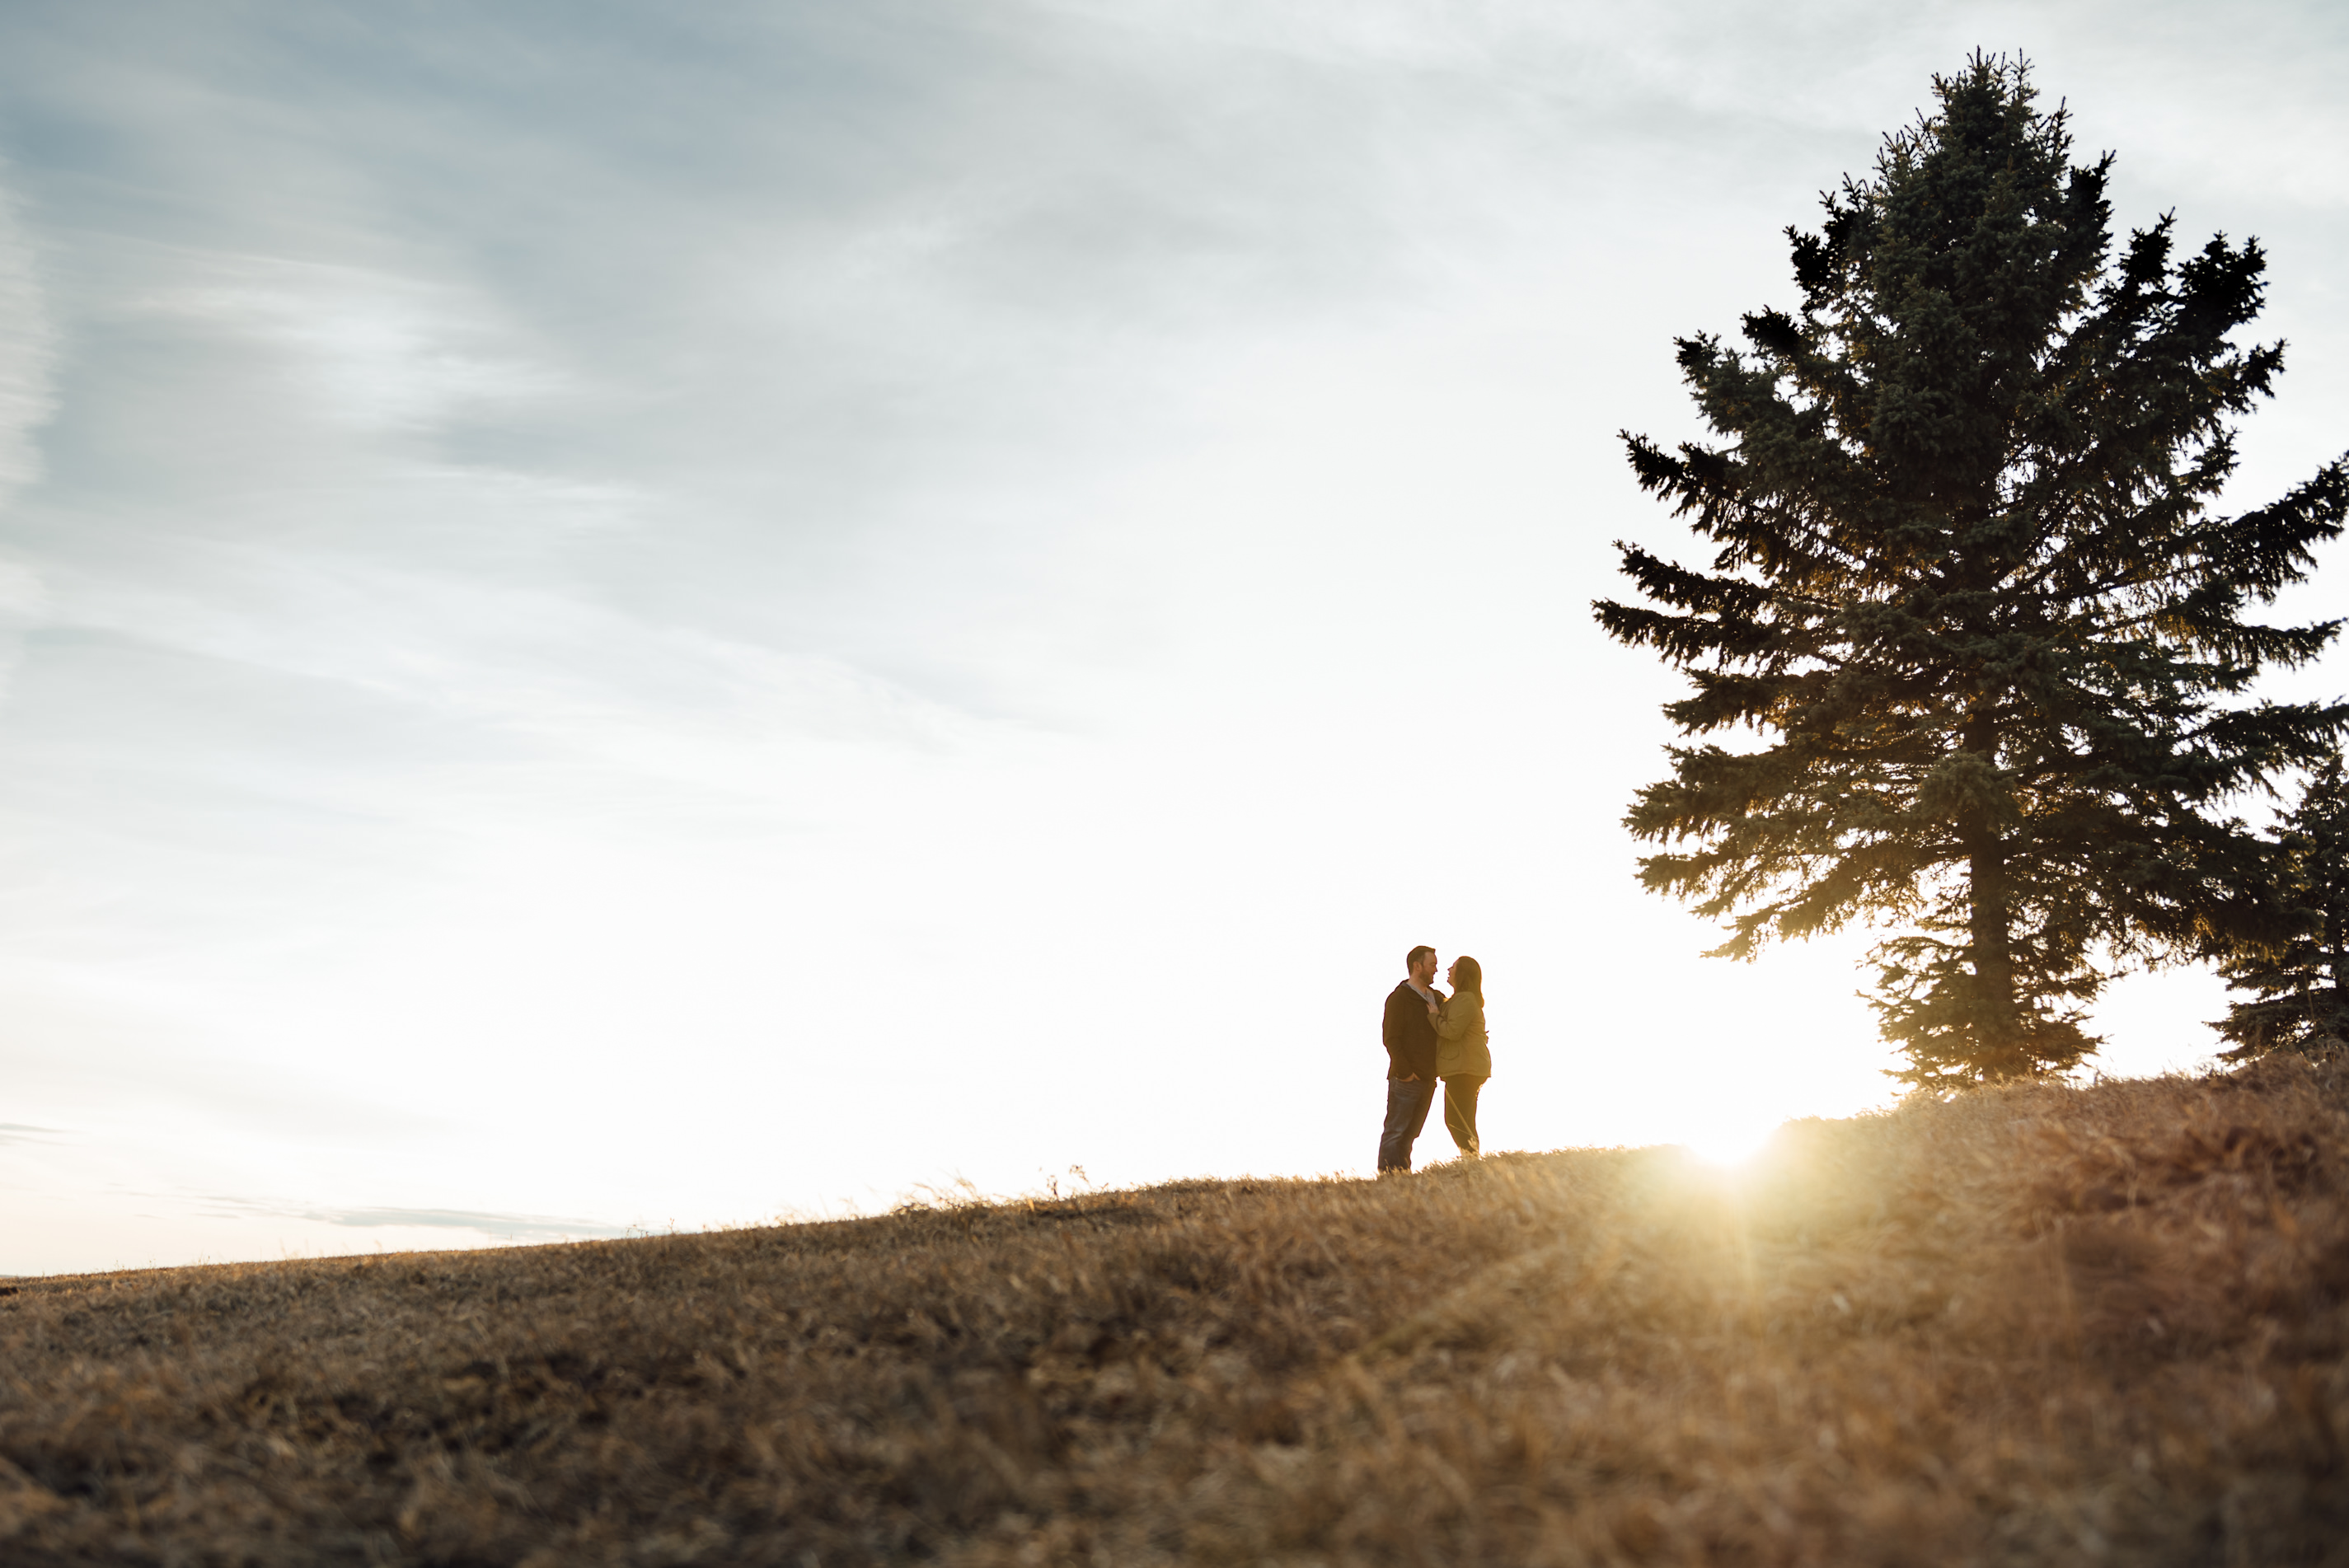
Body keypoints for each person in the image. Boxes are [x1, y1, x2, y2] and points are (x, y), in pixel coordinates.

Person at [1379, 945, 1443, 1172]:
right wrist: (1406, 1073)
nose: (1436, 970)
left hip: (1428, 1079)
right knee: (1396, 1131)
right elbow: (1391, 1039)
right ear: (1417, 966)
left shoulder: (1437, 998)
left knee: (1411, 1134)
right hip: (1406, 1079)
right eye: (1432, 964)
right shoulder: (1399, 998)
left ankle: (1402, 1177)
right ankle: (1388, 1178)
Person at [1428, 955, 1490, 1158]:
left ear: (1462, 974)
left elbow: (1452, 1031)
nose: (1448, 969)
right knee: (1463, 1118)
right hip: (1464, 1067)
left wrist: (1434, 1017)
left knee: (1456, 1119)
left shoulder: (1465, 999)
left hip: (1465, 1068)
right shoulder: (1459, 999)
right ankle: (1471, 1157)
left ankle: (1471, 1157)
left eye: (1454, 967)